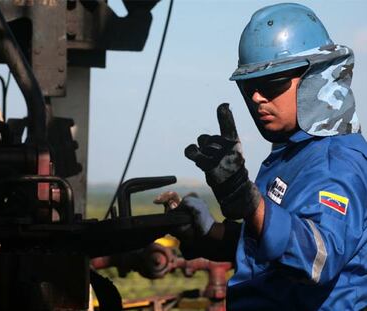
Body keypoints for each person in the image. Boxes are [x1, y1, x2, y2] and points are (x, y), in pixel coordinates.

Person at [154, 3, 367, 310]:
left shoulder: (336, 164)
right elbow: (271, 252)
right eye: (250, 86)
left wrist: (249, 202)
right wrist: (209, 234)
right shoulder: (293, 154)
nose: (257, 98)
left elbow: (317, 259)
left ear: (317, 79)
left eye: (272, 84)